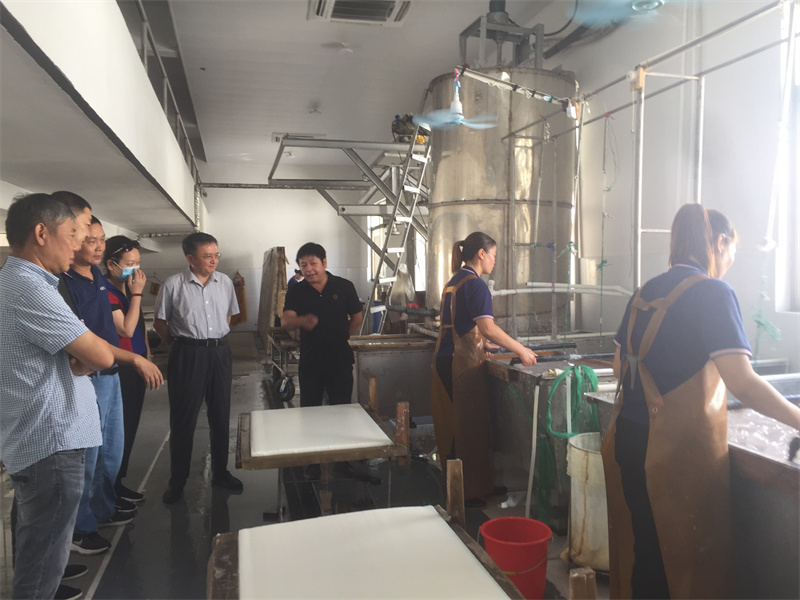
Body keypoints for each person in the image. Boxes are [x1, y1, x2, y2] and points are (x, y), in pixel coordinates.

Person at [602, 204, 800, 599]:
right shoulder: (713, 292)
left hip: (628, 440)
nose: (728, 264)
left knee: (648, 554)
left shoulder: (644, 292)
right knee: (686, 566)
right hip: (673, 455)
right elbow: (743, 383)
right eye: (731, 253)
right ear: (719, 243)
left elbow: (618, 366)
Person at [0, 193, 114, 599]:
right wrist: (84, 357)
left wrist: (82, 355)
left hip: (40, 439)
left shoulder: (19, 283)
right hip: (50, 442)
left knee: (40, 551)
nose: (78, 245)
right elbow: (100, 355)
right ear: (41, 233)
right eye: (72, 234)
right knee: (42, 564)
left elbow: (86, 353)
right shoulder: (29, 288)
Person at [61, 216, 163, 556]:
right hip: (88, 377)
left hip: (110, 372)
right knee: (88, 457)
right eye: (90, 239)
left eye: (101, 239)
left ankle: (102, 509)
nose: (98, 246)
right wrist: (133, 358)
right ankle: (82, 527)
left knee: (111, 451)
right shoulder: (66, 284)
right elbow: (99, 337)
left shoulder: (97, 280)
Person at [430, 232, 537, 507]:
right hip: (459, 364)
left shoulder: (454, 281)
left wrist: (481, 344)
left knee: (460, 426)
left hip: (447, 358)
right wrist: (521, 349)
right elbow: (487, 327)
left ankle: (477, 485)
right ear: (481, 254)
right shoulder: (475, 284)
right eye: (493, 255)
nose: (494, 261)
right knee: (463, 428)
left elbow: (461, 325)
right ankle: (463, 494)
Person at [154, 232, 242, 504]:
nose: (214, 261)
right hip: (187, 354)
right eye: (207, 256)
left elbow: (228, 316)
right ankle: (177, 482)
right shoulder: (173, 285)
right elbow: (160, 322)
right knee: (184, 420)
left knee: (220, 415)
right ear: (190, 259)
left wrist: (213, 338)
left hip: (219, 353)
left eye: (216, 255)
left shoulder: (224, 282)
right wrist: (181, 345)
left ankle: (221, 473)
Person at [281, 242, 363, 407]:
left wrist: (341, 335)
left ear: (324, 263)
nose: (309, 269)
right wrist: (302, 321)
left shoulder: (344, 286)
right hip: (310, 360)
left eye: (313, 263)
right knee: (310, 409)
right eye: (303, 265)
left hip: (339, 359)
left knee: (342, 407)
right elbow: (285, 321)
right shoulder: (296, 291)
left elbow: (357, 317)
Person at [102, 235, 151, 505]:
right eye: (130, 263)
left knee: (130, 426)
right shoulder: (107, 293)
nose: (136, 269)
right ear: (112, 264)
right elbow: (126, 329)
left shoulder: (126, 291)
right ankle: (109, 489)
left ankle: (118, 482)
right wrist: (137, 294)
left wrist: (147, 354)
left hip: (137, 363)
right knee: (116, 432)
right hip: (121, 367)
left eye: (138, 262)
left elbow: (139, 328)